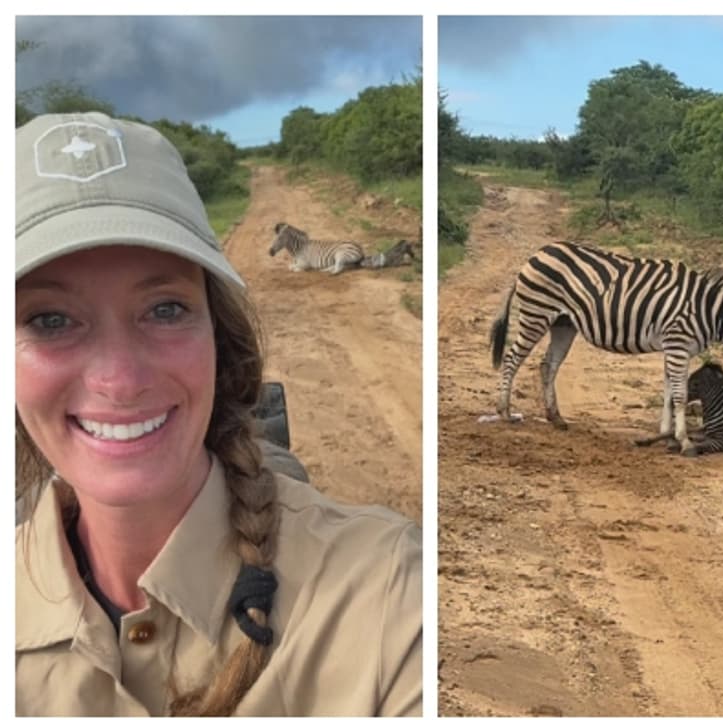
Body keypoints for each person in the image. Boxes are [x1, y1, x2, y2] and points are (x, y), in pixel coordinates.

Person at [15, 111, 422, 716]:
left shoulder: (389, 593)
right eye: (49, 320)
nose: (121, 382)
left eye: (165, 309)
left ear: (219, 335)